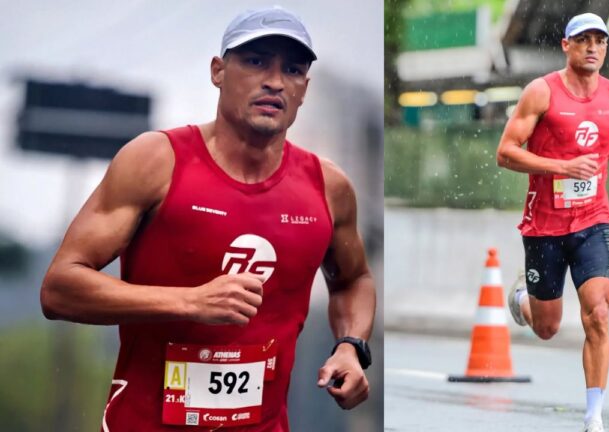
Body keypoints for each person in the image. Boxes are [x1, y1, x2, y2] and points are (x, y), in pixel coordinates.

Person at [40, 6, 375, 431]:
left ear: (304, 88)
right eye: (255, 62)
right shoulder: (156, 161)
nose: (274, 80)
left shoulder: (328, 187)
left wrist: (350, 344)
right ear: (218, 71)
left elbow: (353, 279)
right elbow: (59, 288)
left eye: (292, 69)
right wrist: (189, 301)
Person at [496, 12, 609, 432]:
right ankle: (522, 301)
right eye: (583, 40)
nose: (592, 48)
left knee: (598, 314)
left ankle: (594, 416)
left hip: (593, 221)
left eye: (599, 41)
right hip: (544, 226)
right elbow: (507, 152)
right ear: (566, 45)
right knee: (548, 327)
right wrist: (562, 168)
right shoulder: (541, 92)